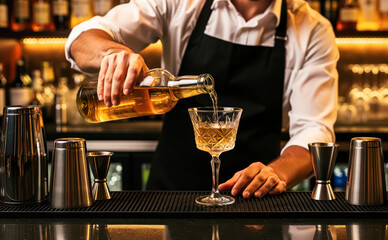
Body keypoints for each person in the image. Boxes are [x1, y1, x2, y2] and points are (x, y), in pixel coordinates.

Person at [65, 0, 339, 198]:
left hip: (254, 201)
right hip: (170, 197)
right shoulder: (181, 4)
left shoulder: (313, 29)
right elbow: (82, 39)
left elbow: (314, 132)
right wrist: (112, 53)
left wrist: (277, 173)